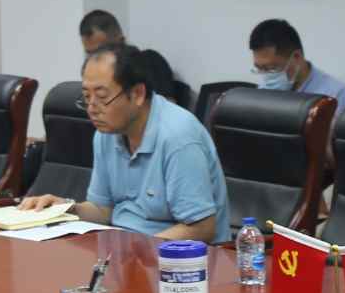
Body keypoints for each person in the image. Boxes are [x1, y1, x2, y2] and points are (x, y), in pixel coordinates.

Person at [21, 42, 228, 241]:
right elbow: (102, 209)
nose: (92, 109)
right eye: (86, 97)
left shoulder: (178, 136)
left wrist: (137, 250)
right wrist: (65, 208)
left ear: (137, 94)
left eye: (102, 97)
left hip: (177, 257)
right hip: (124, 247)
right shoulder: (106, 133)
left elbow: (201, 228)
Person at [248, 19, 345, 115]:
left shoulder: (335, 95)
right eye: (260, 69)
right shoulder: (263, 91)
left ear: (297, 57)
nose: (266, 76)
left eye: (271, 68)